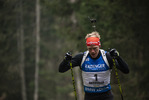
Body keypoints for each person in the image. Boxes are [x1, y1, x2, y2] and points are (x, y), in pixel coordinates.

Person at [59, 31, 129, 100]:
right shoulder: (82, 57)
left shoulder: (107, 57)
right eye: (90, 49)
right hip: (90, 96)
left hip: (106, 96)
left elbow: (126, 70)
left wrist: (118, 57)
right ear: (87, 47)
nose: (92, 51)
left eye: (95, 48)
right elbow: (61, 69)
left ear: (99, 46)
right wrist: (65, 60)